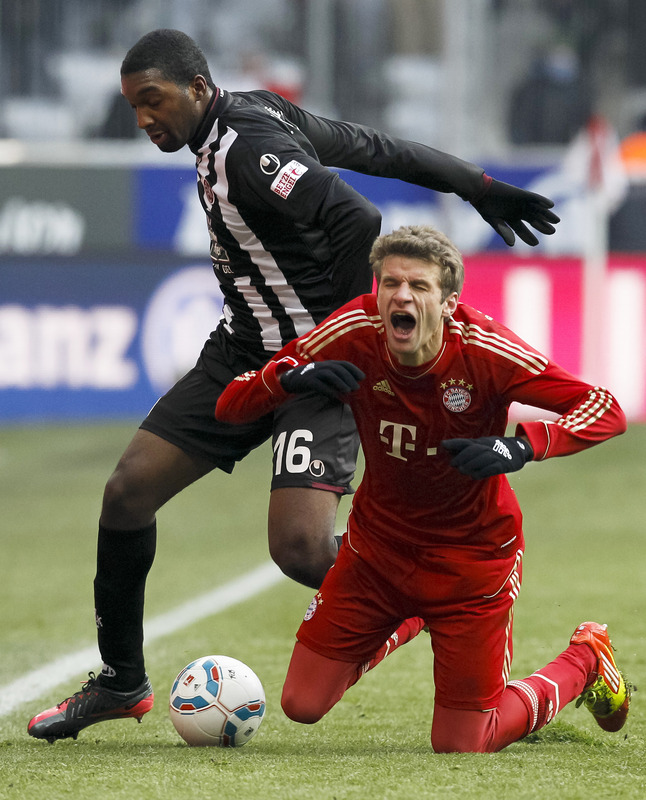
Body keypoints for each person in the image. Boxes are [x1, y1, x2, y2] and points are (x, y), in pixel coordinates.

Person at [28, 29, 559, 743]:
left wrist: (336, 342)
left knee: (302, 552)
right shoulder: (254, 117)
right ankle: (122, 682)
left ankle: (419, 601)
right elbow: (377, 148)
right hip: (243, 353)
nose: (144, 118)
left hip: (318, 371)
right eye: (134, 106)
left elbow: (355, 219)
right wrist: (476, 183)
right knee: (126, 494)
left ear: (196, 87)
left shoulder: (249, 146)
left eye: (152, 101)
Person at [215, 224, 630, 753]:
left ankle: (586, 658)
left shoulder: (488, 351)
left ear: (449, 302)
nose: (400, 296)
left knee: (463, 743)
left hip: (471, 564)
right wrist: (289, 379)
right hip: (376, 554)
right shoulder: (352, 330)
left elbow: (605, 408)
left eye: (419, 286)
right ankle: (414, 613)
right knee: (301, 703)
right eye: (390, 283)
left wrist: (522, 447)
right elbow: (231, 405)